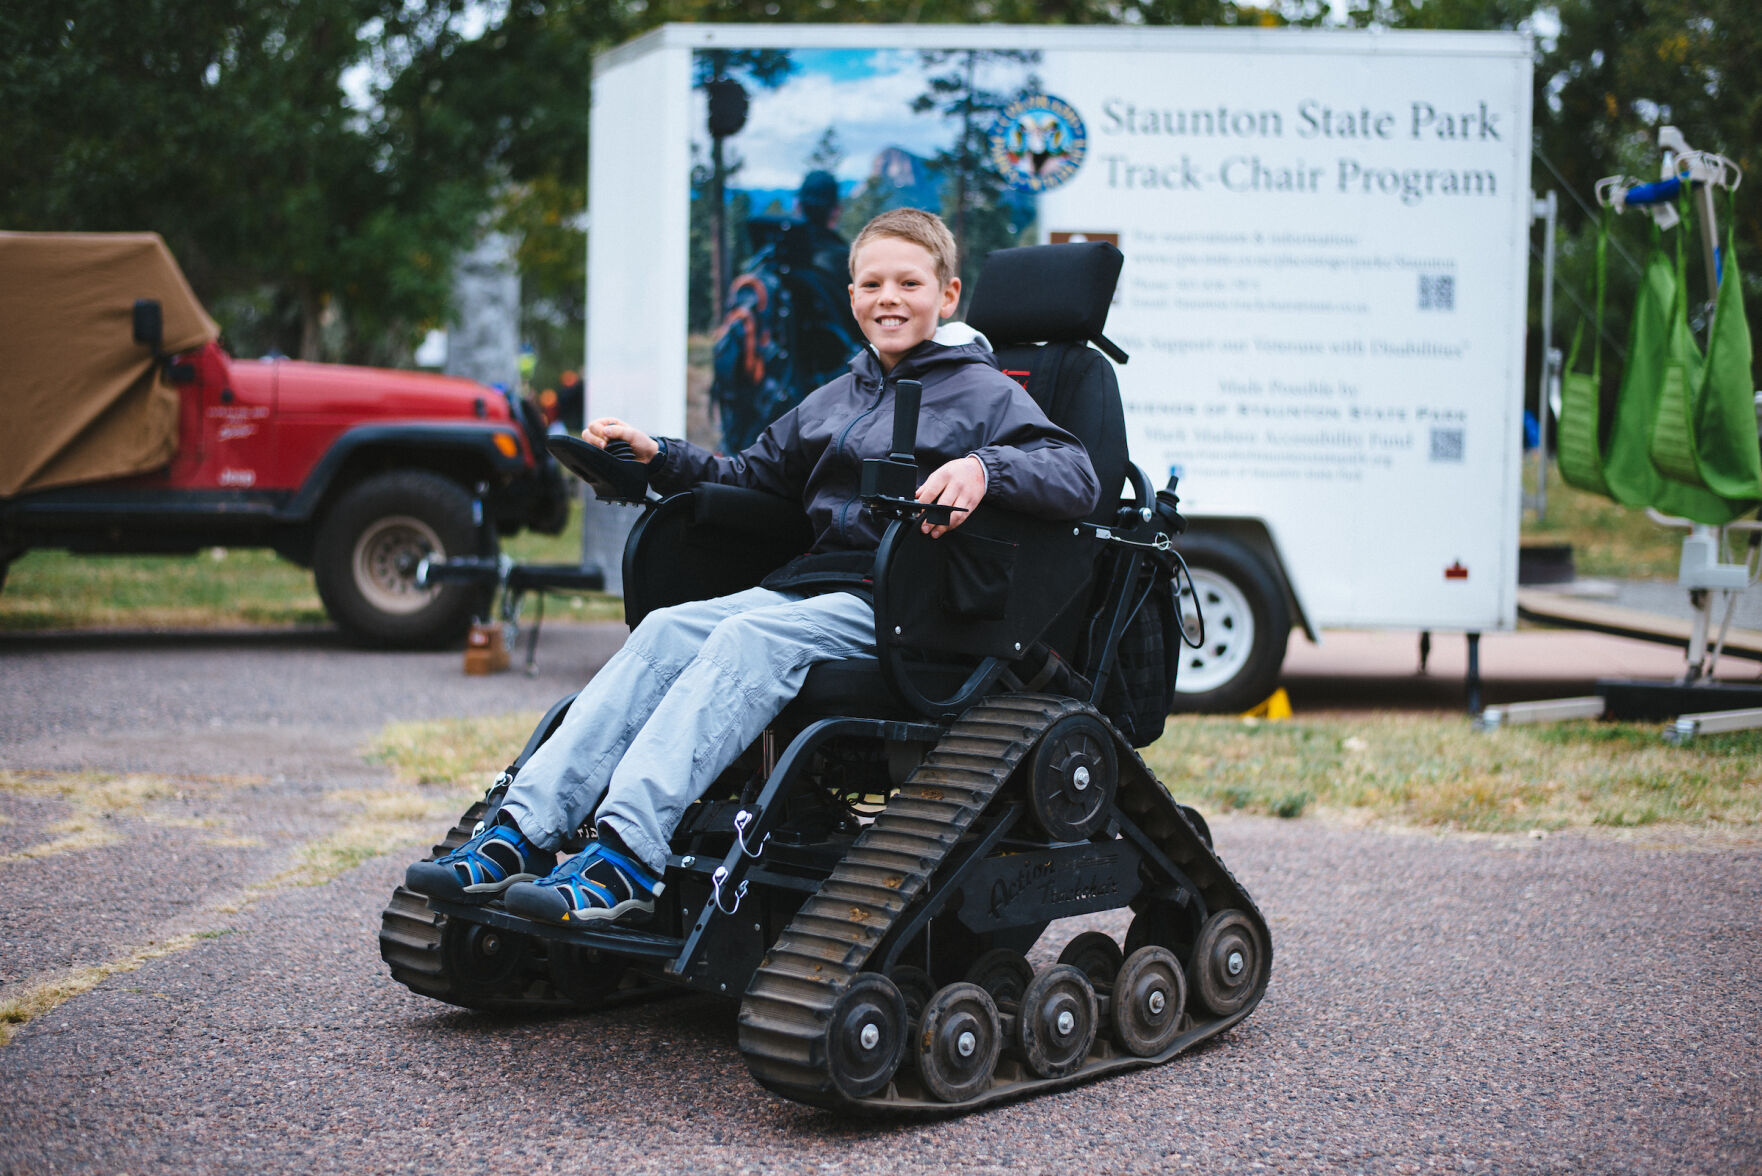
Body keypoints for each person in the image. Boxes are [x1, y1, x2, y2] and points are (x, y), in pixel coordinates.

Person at [407, 209, 1100, 926]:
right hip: (813, 587)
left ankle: (626, 855)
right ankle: (521, 831)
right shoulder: (838, 395)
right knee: (668, 630)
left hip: (909, 599)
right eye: (872, 283)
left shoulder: (983, 392)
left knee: (747, 643)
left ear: (947, 295)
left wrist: (984, 467)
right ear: (852, 295)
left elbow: (1075, 473)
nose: (889, 297)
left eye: (909, 282)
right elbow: (751, 475)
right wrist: (659, 457)